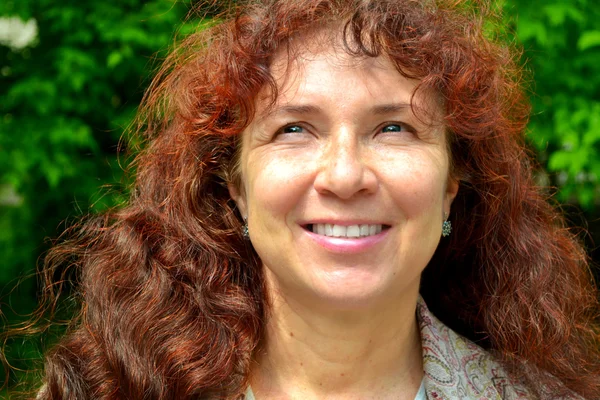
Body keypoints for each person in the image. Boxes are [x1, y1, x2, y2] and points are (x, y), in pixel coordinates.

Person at [18, 0, 600, 398]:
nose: (345, 176)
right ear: (237, 188)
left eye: (393, 128)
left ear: (452, 183)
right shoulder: (109, 391)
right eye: (294, 129)